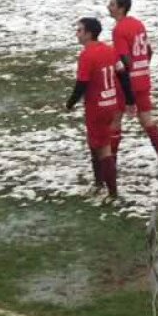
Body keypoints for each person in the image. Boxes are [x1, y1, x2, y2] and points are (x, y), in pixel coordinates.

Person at [66, 17, 133, 201]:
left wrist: (70, 103)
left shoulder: (87, 55)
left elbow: (82, 84)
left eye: (79, 30)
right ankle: (98, 183)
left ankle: (112, 192)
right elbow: (122, 74)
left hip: (97, 107)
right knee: (94, 144)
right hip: (111, 104)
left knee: (103, 149)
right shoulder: (109, 50)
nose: (77, 34)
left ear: (88, 34)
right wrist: (129, 99)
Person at [108, 0, 158, 176]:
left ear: (121, 8)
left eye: (111, 4)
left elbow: (126, 61)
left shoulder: (119, 29)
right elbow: (149, 50)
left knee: (115, 122)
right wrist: (142, 67)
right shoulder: (138, 24)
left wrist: (119, 70)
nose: (108, 7)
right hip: (143, 79)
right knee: (147, 120)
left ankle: (111, 163)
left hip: (127, 82)